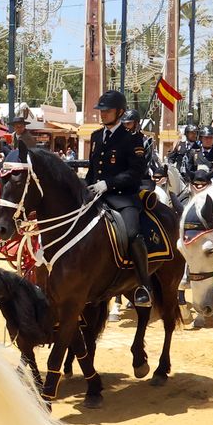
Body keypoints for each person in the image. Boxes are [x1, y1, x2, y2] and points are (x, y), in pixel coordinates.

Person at [84, 88, 156, 307]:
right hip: (96, 195)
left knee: (134, 235)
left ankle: (144, 285)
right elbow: (92, 170)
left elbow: (135, 173)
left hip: (123, 197)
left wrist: (108, 183)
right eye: (101, 110)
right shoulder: (96, 136)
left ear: (120, 112)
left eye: (107, 110)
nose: (102, 114)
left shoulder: (131, 139)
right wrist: (86, 188)